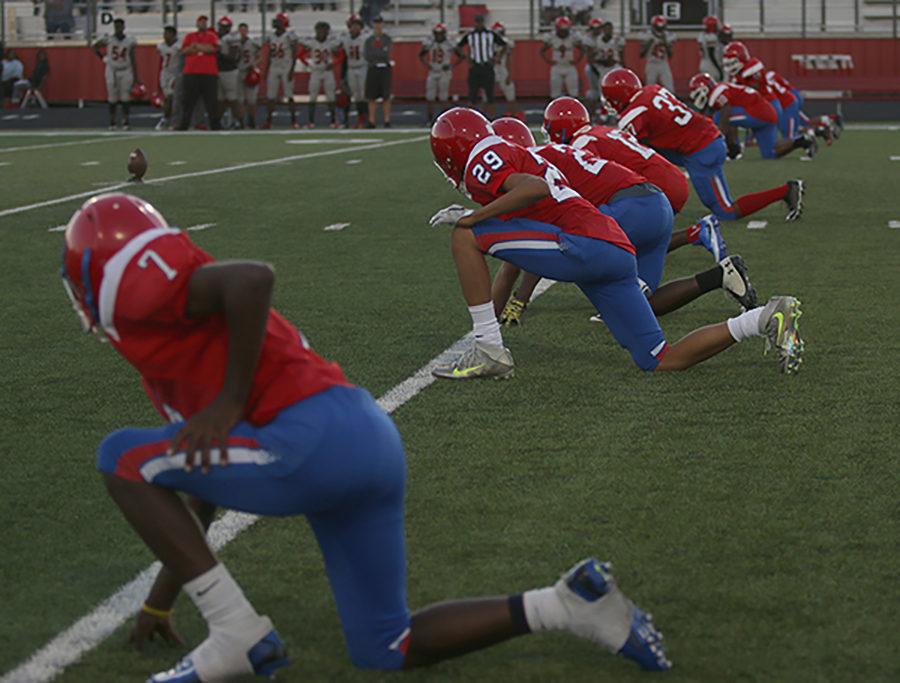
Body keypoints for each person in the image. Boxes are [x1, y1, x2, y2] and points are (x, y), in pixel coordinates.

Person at [61, 193, 672, 683]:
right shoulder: (167, 342)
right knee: (387, 645)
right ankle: (565, 605)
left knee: (120, 457)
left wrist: (225, 402)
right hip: (364, 437)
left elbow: (249, 279)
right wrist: (160, 598)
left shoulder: (164, 295)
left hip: (312, 439)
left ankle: (237, 635)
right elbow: (202, 484)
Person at [428, 108, 805, 377]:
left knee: (464, 235)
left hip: (588, 241)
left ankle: (488, 348)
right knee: (659, 359)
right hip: (614, 247)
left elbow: (534, 189)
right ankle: (762, 318)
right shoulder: (525, 157)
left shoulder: (484, 155)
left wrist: (471, 217)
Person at [490, 116, 754, 327]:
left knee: (575, 253)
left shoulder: (536, 170)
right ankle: (720, 275)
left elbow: (539, 246)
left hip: (630, 208)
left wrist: (518, 301)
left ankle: (616, 289)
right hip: (655, 204)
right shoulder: (562, 151)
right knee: (642, 306)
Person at [602, 68, 804, 222]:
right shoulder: (653, 90)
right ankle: (657, 202)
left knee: (725, 211)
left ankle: (786, 191)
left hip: (700, 149)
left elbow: (626, 146)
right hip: (699, 140)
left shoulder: (634, 113)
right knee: (650, 153)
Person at [688, 73, 816, 160]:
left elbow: (726, 112)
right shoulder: (721, 89)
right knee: (770, 154)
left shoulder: (718, 92)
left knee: (721, 118)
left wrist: (717, 139)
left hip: (759, 112)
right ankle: (802, 140)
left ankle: (733, 150)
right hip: (765, 114)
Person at [455, 14, 504, 118]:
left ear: (483, 22)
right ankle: (471, 118)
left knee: (490, 95)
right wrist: (466, 58)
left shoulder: (491, 34)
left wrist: (497, 57)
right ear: (475, 23)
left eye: (481, 22)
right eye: (477, 22)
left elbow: (503, 45)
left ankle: (491, 118)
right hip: (475, 67)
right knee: (472, 95)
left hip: (487, 67)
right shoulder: (470, 35)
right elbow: (458, 46)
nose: (479, 24)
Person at [93, 18, 139, 129]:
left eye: (120, 26)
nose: (118, 29)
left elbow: (132, 57)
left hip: (125, 69)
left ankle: (126, 120)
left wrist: (136, 75)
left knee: (125, 97)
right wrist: (103, 58)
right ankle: (112, 121)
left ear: (123, 27)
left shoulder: (129, 40)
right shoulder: (108, 39)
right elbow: (95, 46)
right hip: (112, 69)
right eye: (116, 26)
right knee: (112, 97)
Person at [179, 15, 221, 131]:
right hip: (191, 72)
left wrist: (196, 46)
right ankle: (184, 125)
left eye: (205, 22)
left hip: (209, 73)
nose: (203, 24)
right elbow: (184, 51)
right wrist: (202, 48)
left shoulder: (212, 36)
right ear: (197, 23)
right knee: (188, 101)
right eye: (201, 22)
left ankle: (215, 125)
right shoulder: (189, 36)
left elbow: (213, 49)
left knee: (211, 101)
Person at [301, 21, 341, 128]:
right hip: (316, 71)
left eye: (324, 30)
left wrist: (334, 63)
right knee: (312, 97)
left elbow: (341, 55)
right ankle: (311, 122)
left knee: (331, 96)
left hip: (327, 71)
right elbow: (301, 54)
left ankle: (333, 121)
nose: (322, 32)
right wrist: (308, 63)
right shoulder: (311, 42)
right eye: (320, 30)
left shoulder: (331, 43)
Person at [581, 19, 624, 119]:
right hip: (602, 67)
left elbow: (622, 56)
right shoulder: (596, 40)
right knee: (601, 93)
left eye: (610, 29)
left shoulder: (617, 39)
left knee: (618, 91)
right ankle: (603, 114)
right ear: (603, 30)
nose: (608, 31)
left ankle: (616, 113)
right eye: (606, 29)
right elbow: (591, 56)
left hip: (614, 67)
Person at [262, 13, 298, 129]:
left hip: (286, 66)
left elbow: (294, 53)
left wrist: (292, 70)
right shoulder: (271, 36)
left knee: (289, 95)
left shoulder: (289, 36)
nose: (276, 23)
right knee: (270, 96)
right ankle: (268, 121)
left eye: (279, 21)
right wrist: (266, 69)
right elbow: (269, 54)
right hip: (274, 66)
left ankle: (293, 121)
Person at [419, 23, 455, 124]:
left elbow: (461, 55)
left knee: (443, 97)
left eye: (440, 33)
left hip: (444, 72)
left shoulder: (449, 43)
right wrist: (427, 65)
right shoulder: (430, 42)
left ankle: (446, 121)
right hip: (433, 71)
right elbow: (421, 54)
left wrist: (451, 66)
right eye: (437, 33)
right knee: (430, 97)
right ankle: (430, 120)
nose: (439, 36)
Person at [540, 16, 582, 100]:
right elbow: (542, 50)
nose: (563, 32)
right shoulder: (551, 37)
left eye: (565, 30)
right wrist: (548, 60)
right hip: (557, 67)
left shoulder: (573, 36)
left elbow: (582, 49)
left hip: (569, 67)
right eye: (561, 30)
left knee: (574, 93)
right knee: (555, 93)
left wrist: (577, 60)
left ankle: (574, 111)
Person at [364, 16, 392, 128]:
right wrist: (379, 53)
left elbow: (385, 54)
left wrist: (377, 54)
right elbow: (368, 55)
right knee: (371, 96)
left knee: (386, 96)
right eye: (376, 23)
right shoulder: (369, 40)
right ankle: (371, 120)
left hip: (384, 68)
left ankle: (386, 120)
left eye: (379, 23)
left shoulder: (387, 39)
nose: (378, 25)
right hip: (373, 67)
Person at [340, 15, 368, 128]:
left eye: (357, 25)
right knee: (355, 95)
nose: (355, 28)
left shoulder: (365, 38)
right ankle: (358, 120)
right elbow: (343, 57)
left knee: (363, 94)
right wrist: (342, 74)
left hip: (363, 67)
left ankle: (364, 119)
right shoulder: (345, 39)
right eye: (353, 25)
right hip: (351, 68)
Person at [216, 16, 242, 129]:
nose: (223, 29)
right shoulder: (216, 36)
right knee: (220, 99)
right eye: (222, 26)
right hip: (218, 70)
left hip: (229, 71)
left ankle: (239, 121)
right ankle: (218, 122)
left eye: (226, 27)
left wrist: (218, 54)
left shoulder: (232, 37)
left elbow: (233, 56)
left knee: (232, 98)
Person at [236, 23, 261, 129]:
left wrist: (254, 64)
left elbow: (262, 54)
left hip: (249, 71)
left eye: (244, 30)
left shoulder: (253, 42)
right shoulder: (235, 42)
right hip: (238, 71)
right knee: (240, 99)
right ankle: (241, 122)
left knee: (251, 100)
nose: (243, 32)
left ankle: (251, 121)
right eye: (241, 30)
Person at [639, 15, 674, 91]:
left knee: (670, 88)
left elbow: (670, 54)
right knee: (649, 88)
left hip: (663, 63)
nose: (660, 30)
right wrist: (649, 43)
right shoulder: (647, 35)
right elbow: (641, 54)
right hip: (651, 64)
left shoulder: (667, 35)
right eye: (658, 27)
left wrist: (665, 42)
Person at [156, 26, 180, 130]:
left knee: (172, 98)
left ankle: (168, 119)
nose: (165, 36)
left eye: (168, 34)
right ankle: (167, 119)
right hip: (165, 73)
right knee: (168, 98)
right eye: (164, 34)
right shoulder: (161, 46)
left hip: (176, 73)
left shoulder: (179, 46)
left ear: (174, 35)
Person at [491, 22, 517, 116]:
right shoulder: (488, 42)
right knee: (488, 97)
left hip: (502, 69)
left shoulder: (506, 43)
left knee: (510, 95)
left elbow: (508, 60)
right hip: (491, 69)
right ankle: (489, 118)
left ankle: (513, 117)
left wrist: (509, 74)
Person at [697, 15, 722, 80]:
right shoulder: (711, 37)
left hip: (703, 63)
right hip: (711, 66)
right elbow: (711, 54)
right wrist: (719, 69)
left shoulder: (702, 35)